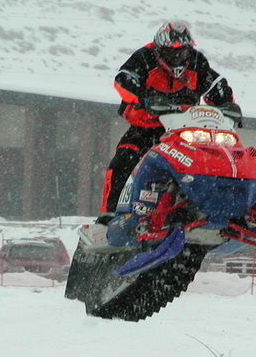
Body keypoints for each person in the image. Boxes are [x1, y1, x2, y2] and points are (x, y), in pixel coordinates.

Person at [98, 22, 242, 224]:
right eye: (171, 53)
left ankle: (224, 207)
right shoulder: (144, 58)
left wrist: (226, 103)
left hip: (184, 129)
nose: (177, 58)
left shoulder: (197, 62)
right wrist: (144, 97)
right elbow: (123, 80)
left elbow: (216, 84)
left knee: (216, 157)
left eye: (182, 52)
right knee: (124, 159)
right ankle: (109, 214)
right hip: (146, 127)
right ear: (159, 49)